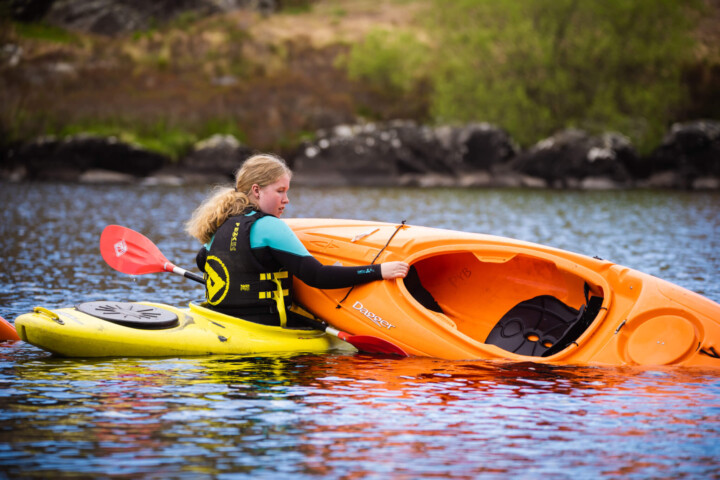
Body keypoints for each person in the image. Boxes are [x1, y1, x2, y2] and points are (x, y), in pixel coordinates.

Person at [185, 153, 409, 327]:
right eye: (280, 191)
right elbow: (318, 276)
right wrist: (380, 271)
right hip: (263, 329)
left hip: (221, 320)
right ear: (257, 190)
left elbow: (202, 261)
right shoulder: (269, 226)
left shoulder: (220, 225)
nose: (286, 200)